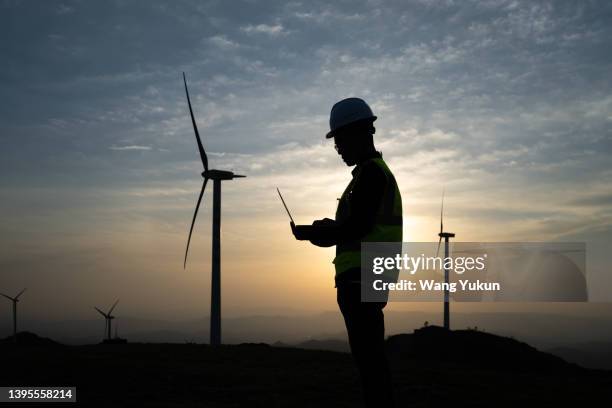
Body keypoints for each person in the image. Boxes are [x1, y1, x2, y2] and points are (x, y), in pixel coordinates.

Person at [290, 97, 402, 407]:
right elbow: (354, 226)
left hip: (362, 278)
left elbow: (357, 228)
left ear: (357, 133)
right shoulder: (369, 176)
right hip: (365, 277)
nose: (338, 148)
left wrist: (317, 233)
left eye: (339, 140)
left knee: (370, 364)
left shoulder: (372, 175)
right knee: (370, 362)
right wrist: (321, 231)